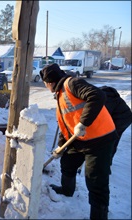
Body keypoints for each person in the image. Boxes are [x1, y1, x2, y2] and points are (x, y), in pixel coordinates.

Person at [40, 63, 118, 219]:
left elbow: (97, 95)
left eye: (45, 84)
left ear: (49, 82)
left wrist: (83, 123)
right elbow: (66, 126)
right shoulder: (60, 95)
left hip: (99, 140)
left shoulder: (72, 83)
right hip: (80, 139)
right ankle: (67, 190)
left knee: (95, 181)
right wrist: (60, 148)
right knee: (67, 164)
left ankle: (99, 216)